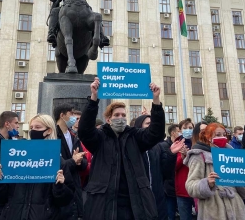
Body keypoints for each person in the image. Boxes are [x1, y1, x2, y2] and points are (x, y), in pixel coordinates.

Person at [78, 77, 184, 220]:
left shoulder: (134, 136)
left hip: (134, 204)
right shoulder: (100, 138)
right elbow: (84, 131)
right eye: (116, 115)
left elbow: (155, 133)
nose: (120, 118)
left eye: (123, 115)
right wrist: (93, 98)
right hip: (104, 204)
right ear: (108, 119)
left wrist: (156, 101)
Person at [0, 114, 75, 220]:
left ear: (48, 131)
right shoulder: (16, 157)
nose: (33, 131)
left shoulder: (58, 162)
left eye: (38, 127)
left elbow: (66, 201)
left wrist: (60, 187)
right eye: (31, 128)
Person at [185, 122, 245, 220]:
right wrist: (207, 183)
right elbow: (190, 186)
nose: (222, 137)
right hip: (213, 210)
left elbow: (242, 191)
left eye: (224, 135)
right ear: (208, 136)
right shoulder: (199, 155)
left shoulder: (233, 156)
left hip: (236, 209)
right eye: (218, 135)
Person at [54, 104, 87, 220]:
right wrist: (73, 161)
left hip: (75, 189)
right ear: (62, 115)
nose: (74, 117)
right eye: (71, 114)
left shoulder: (74, 136)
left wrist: (79, 161)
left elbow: (84, 163)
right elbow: (56, 165)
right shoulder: (53, 136)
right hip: (61, 190)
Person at [134, 115, 167, 220]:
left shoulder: (157, 147)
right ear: (140, 127)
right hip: (139, 200)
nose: (151, 126)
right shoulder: (133, 146)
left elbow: (165, 171)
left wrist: (171, 154)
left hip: (158, 198)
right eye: (148, 124)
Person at [159, 124, 181, 220]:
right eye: (179, 131)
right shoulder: (163, 146)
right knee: (170, 214)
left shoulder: (183, 144)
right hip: (169, 188)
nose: (182, 133)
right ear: (173, 133)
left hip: (180, 187)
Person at [175, 118, 195, 220]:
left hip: (198, 188)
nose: (188, 130)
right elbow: (173, 167)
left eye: (190, 128)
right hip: (182, 189)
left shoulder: (198, 144)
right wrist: (182, 157)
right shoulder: (176, 145)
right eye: (185, 128)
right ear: (180, 130)